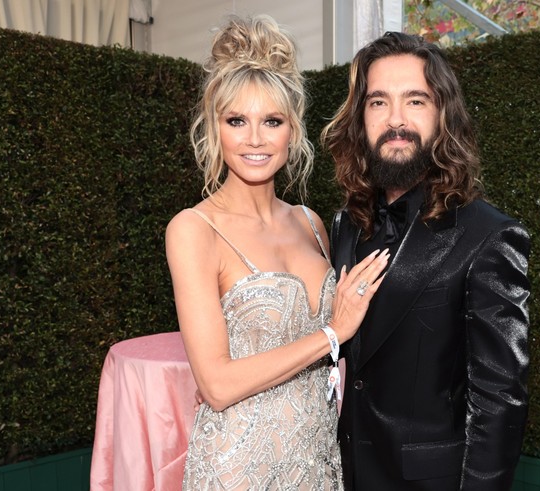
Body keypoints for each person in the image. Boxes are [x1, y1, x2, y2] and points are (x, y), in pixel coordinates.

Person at [165, 15, 389, 490]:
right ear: (215, 128)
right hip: (239, 467)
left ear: (293, 129)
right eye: (236, 121)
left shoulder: (310, 223)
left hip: (318, 461)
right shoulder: (193, 230)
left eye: (272, 120)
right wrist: (333, 332)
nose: (254, 139)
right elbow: (217, 386)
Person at [321, 31, 532, 490]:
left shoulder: (489, 235)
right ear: (360, 119)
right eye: (378, 102)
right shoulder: (344, 225)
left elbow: (500, 400)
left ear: (443, 115)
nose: (395, 119)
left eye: (415, 101)